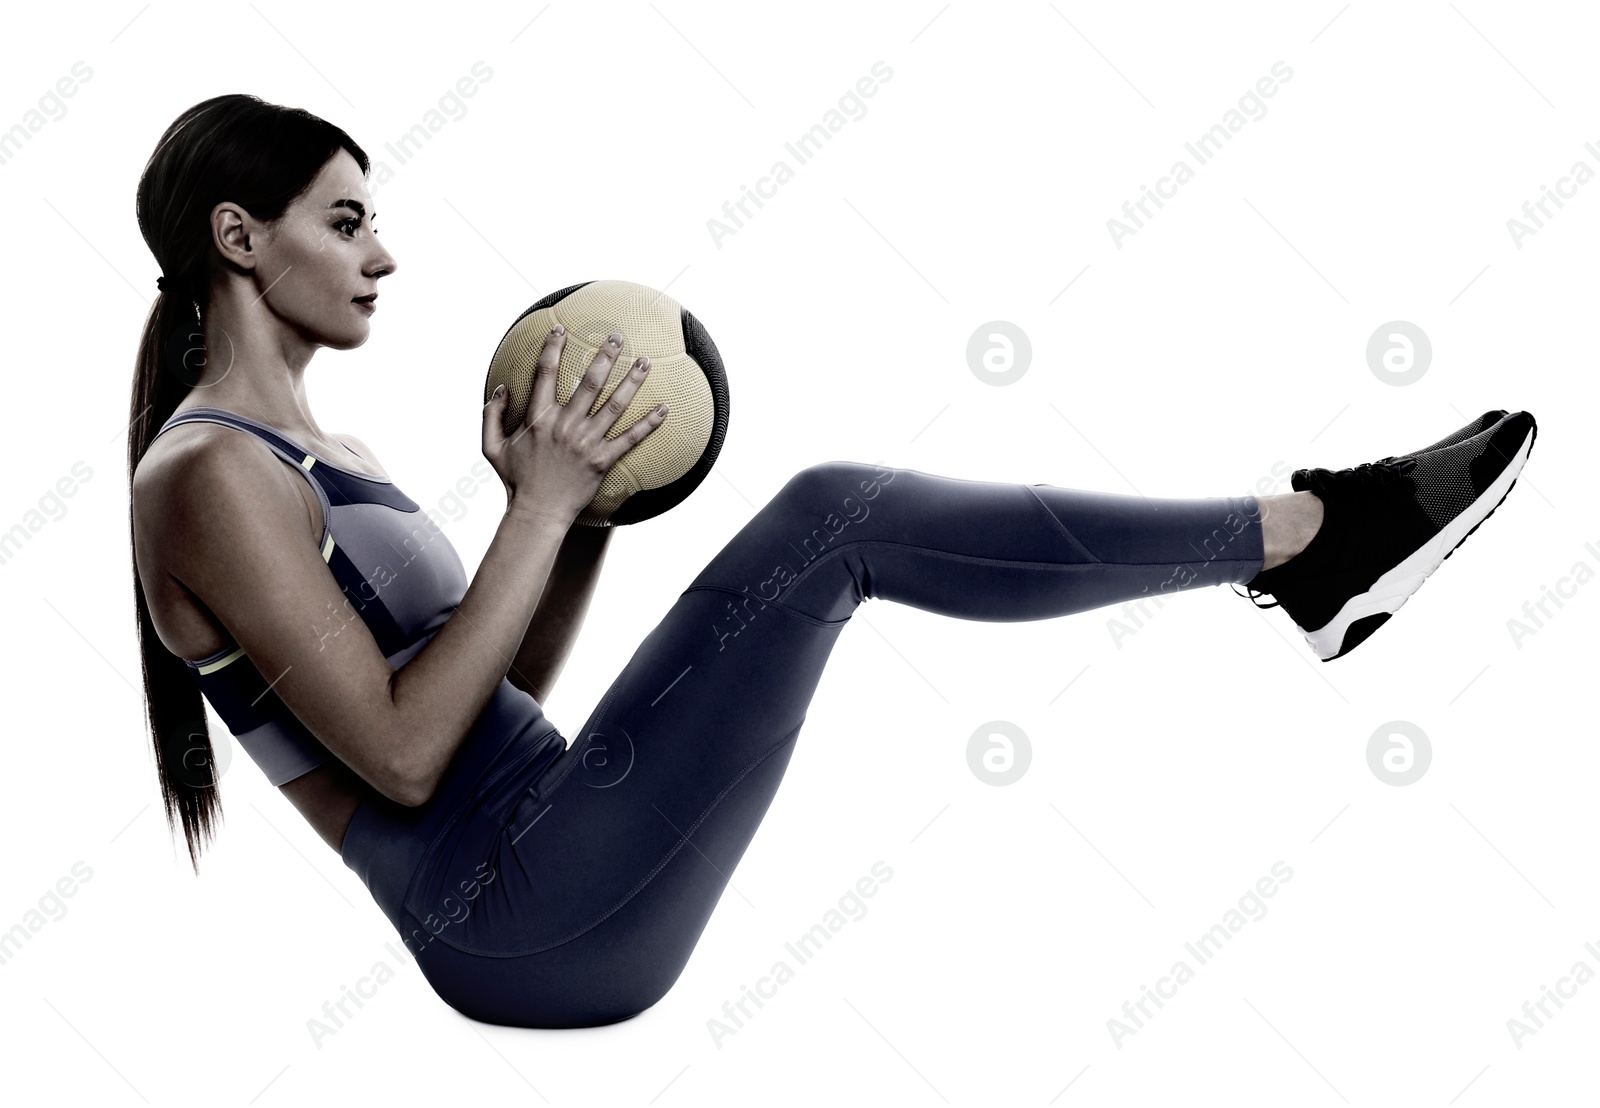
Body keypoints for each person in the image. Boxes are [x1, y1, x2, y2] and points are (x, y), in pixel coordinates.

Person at [128, 95, 1537, 1028]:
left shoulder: (330, 451)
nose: (385, 253)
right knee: (836, 520)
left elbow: (500, 693)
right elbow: (405, 761)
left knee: (834, 522)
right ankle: (1311, 544)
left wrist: (577, 518)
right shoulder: (205, 476)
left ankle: (1312, 552)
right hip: (514, 911)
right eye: (346, 219)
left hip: (556, 827)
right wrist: (534, 512)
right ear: (239, 239)